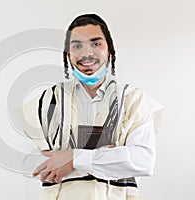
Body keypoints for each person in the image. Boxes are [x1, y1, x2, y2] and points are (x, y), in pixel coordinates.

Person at [21, 13, 164, 200]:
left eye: (96, 44)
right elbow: (33, 163)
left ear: (109, 49)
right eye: (77, 46)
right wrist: (109, 157)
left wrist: (72, 158)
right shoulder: (46, 101)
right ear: (67, 54)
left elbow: (143, 161)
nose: (87, 53)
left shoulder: (133, 101)